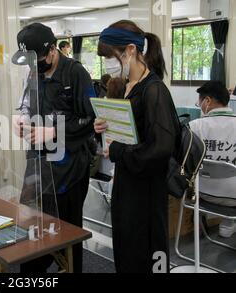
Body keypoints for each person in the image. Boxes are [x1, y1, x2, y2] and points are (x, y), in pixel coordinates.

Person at [94, 20, 180, 273]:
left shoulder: (154, 90)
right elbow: (132, 132)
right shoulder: (126, 86)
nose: (108, 64)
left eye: (111, 57)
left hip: (146, 193)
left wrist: (120, 151)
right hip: (126, 183)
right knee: (126, 249)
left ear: (130, 50)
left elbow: (163, 147)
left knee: (145, 255)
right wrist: (102, 128)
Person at [13, 23, 96, 273]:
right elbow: (26, 103)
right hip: (38, 162)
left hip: (68, 167)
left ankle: (68, 268)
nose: (33, 66)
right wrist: (22, 118)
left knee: (67, 231)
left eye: (37, 59)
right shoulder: (33, 72)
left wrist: (56, 131)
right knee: (32, 222)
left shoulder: (76, 74)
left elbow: (91, 119)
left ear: (51, 50)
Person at [189, 81, 236, 238]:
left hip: (203, 193)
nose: (200, 105)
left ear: (207, 101)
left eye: (200, 101)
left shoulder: (194, 126)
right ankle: (229, 222)